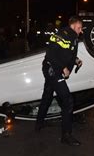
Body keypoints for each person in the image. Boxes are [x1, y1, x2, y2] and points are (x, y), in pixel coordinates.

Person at [35, 16, 83, 146]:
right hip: (52, 70)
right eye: (79, 28)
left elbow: (67, 53)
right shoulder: (61, 35)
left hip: (55, 69)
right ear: (73, 26)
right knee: (67, 100)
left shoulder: (73, 38)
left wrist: (76, 60)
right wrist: (63, 68)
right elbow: (51, 55)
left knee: (47, 96)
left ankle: (39, 124)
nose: (81, 31)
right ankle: (66, 136)